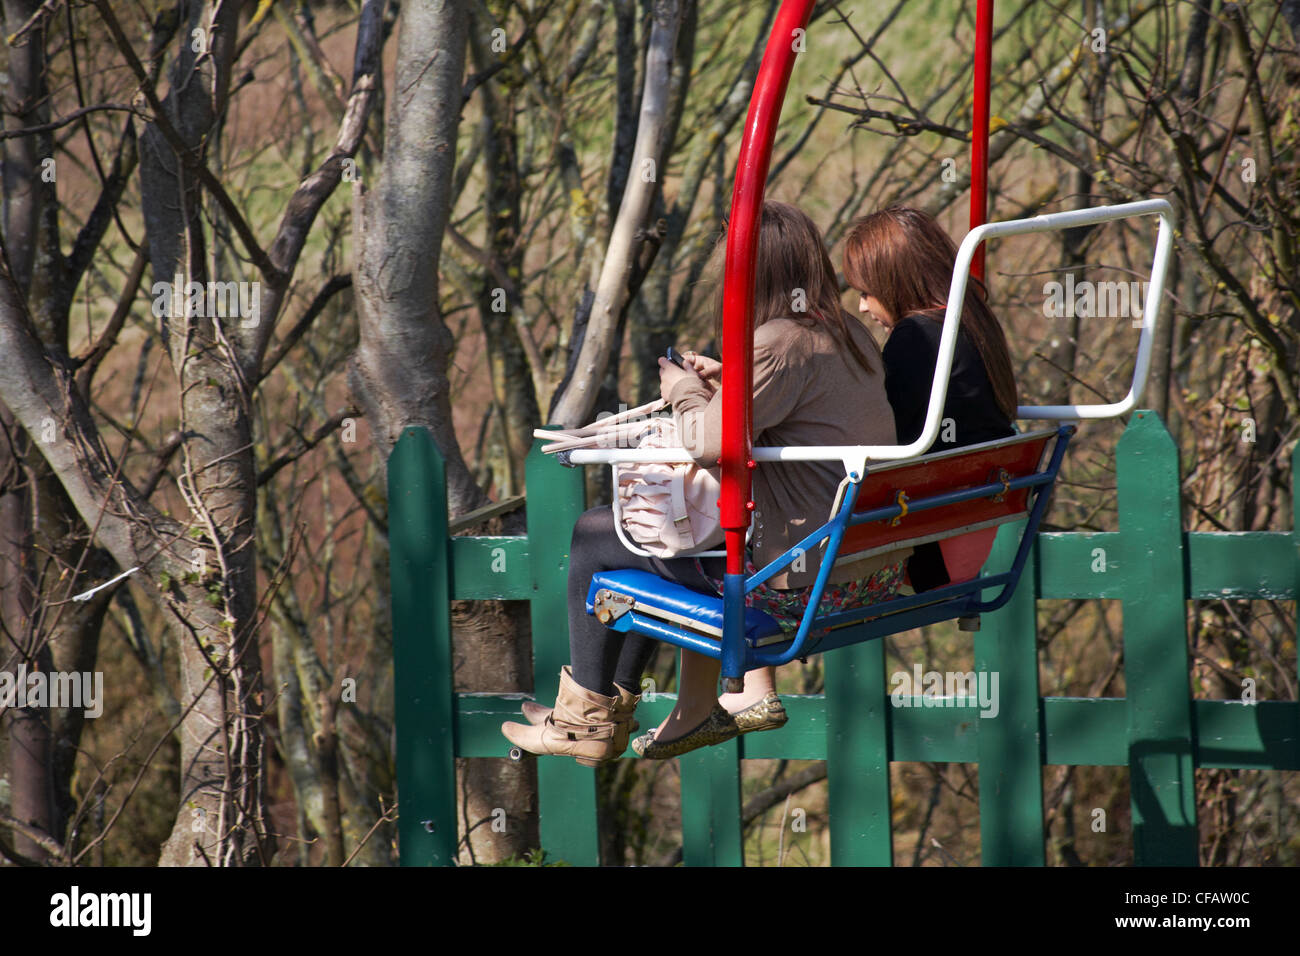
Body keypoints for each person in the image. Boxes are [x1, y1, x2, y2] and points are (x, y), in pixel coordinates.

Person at [501, 201, 907, 765]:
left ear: (750, 276)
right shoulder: (849, 334)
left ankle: (584, 722)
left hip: (795, 577)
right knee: (640, 541)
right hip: (863, 567)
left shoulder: (777, 344)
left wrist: (683, 390)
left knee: (597, 536)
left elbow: (711, 444)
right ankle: (595, 712)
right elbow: (787, 410)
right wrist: (730, 380)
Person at [841, 206, 1018, 591]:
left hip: (924, 551)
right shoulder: (973, 321)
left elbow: (881, 436)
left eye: (866, 293)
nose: (861, 307)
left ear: (894, 282)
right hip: (966, 537)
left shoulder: (916, 338)